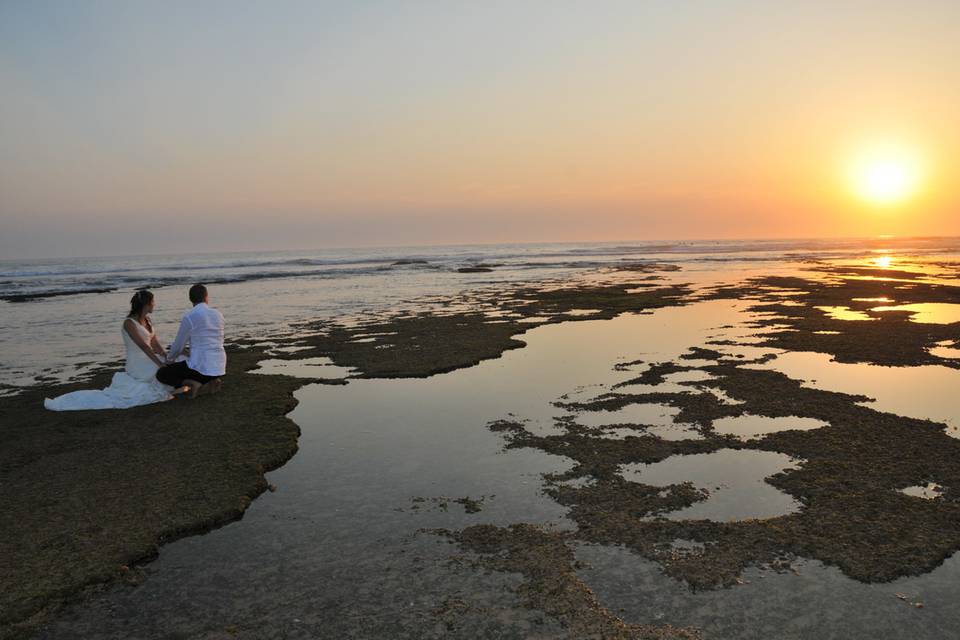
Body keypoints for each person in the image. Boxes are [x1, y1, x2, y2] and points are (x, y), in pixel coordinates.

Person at [44, 290, 181, 411]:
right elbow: (143, 346)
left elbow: (154, 343)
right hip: (138, 362)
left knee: (176, 362)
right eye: (153, 301)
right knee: (160, 372)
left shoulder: (148, 320)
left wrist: (165, 355)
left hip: (150, 356)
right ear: (145, 304)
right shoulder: (129, 323)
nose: (154, 304)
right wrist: (160, 364)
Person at [155, 284, 226, 398]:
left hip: (201, 368)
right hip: (219, 365)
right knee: (194, 361)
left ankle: (194, 383)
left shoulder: (190, 316)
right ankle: (212, 380)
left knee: (162, 374)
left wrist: (169, 360)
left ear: (190, 299)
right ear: (206, 297)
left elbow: (178, 346)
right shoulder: (218, 314)